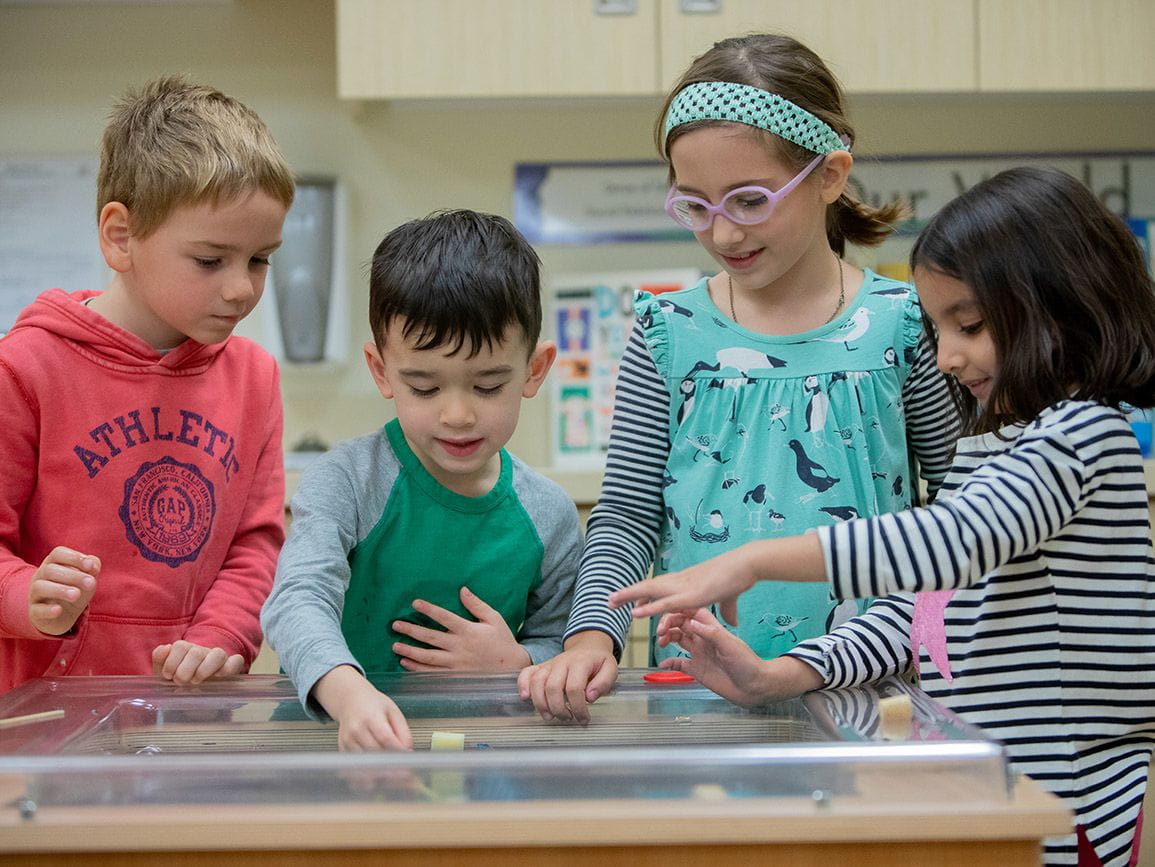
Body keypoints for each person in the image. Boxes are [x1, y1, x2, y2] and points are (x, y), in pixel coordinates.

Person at [609, 166, 1155, 867]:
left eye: (970, 324)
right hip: (987, 793)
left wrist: (752, 558)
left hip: (1066, 803)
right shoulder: (998, 450)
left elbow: (947, 543)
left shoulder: (1080, 437)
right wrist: (785, 674)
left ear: (1063, 306)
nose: (948, 356)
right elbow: (918, 611)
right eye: (936, 328)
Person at [518, 33, 958, 722]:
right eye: (694, 205)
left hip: (871, 694)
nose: (722, 234)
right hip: (698, 694)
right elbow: (628, 516)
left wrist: (931, 641)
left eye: (749, 200)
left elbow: (959, 521)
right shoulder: (665, 330)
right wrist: (589, 636)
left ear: (828, 175)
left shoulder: (902, 324)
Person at [0, 76, 295, 693]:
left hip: (188, 713)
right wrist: (25, 596)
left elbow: (255, 543)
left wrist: (224, 634)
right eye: (211, 260)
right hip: (45, 720)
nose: (241, 287)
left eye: (260, 259)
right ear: (120, 237)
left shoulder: (255, 379)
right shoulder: (24, 370)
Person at [261, 210, 582, 751]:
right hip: (326, 751)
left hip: (480, 757)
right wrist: (350, 696)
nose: (457, 415)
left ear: (534, 369)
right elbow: (297, 601)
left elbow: (568, 644)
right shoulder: (346, 482)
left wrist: (520, 662)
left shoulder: (548, 513)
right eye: (425, 388)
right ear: (382, 370)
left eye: (486, 386)